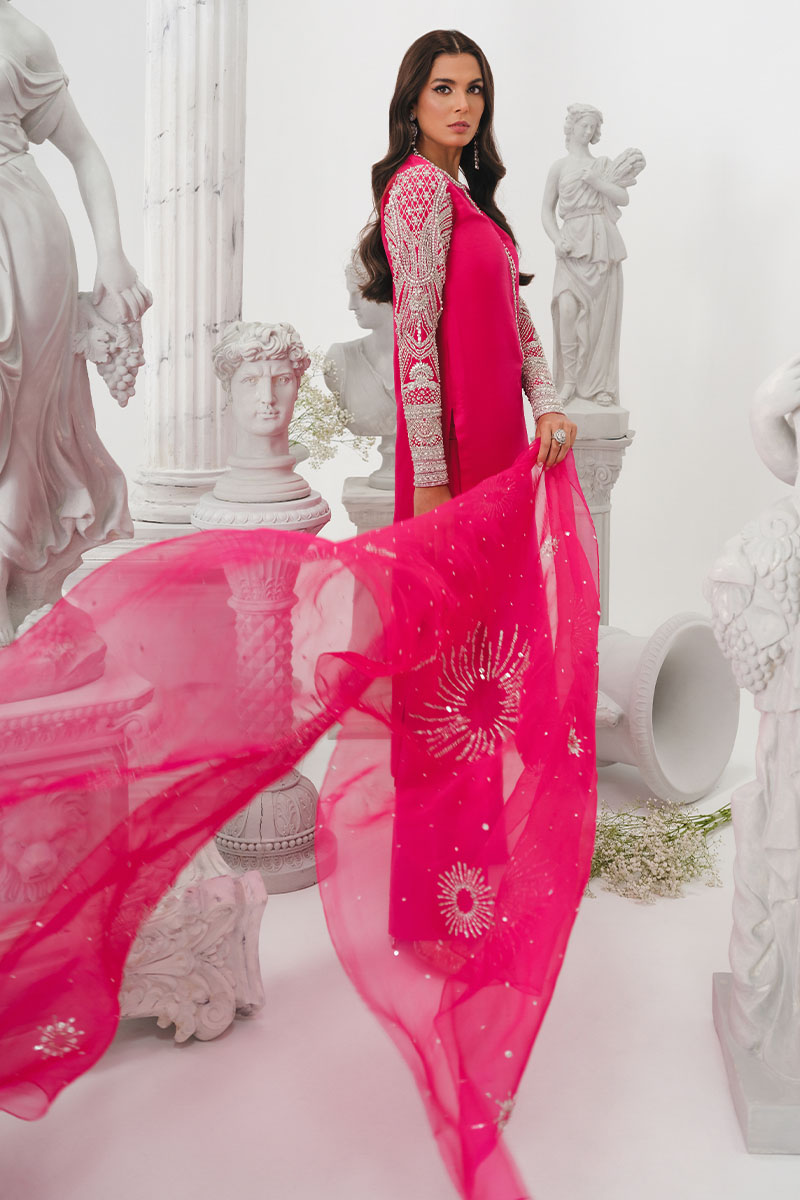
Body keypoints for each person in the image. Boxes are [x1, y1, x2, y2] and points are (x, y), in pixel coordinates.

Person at [357, 29, 576, 522]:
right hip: (459, 446)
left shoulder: (461, 193)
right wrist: (430, 478)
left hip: (498, 431)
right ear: (412, 104)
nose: (463, 104)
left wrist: (546, 404)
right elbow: (415, 338)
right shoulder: (418, 187)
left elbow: (513, 313)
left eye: (474, 89)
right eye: (444, 88)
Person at [0, 2, 150, 644]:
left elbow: (85, 153)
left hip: (19, 233)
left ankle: (6, 598)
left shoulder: (18, 35)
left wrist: (111, 253)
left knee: (19, 425)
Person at [541, 103, 645, 406]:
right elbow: (546, 211)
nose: (588, 131)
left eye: (592, 127)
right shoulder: (559, 167)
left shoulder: (602, 165)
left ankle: (601, 385)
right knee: (566, 308)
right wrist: (557, 239)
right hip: (572, 247)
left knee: (600, 319)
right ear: (571, 126)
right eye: (583, 125)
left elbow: (622, 197)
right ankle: (569, 381)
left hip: (601, 245)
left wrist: (597, 182)